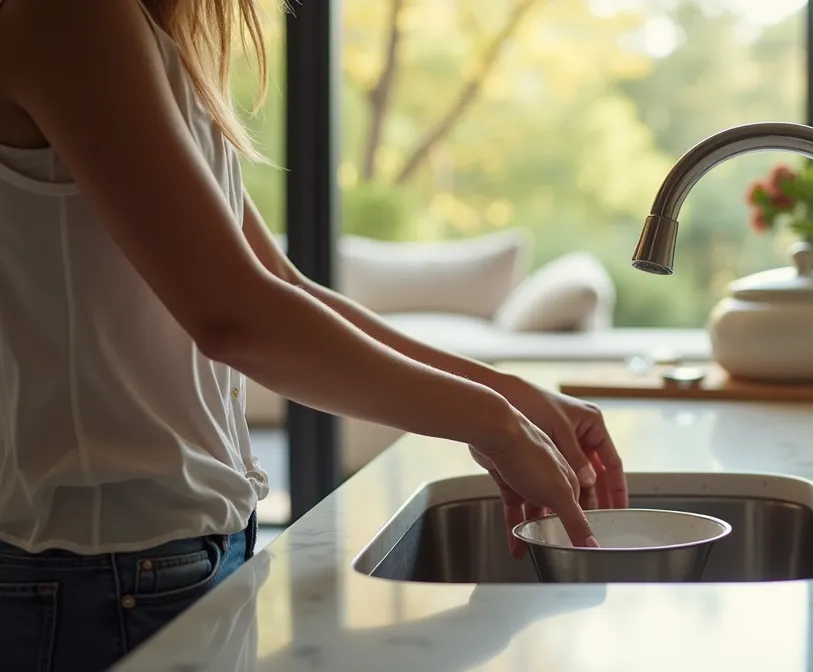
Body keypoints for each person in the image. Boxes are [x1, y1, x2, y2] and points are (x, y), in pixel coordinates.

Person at [0, 0, 628, 668]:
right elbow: (237, 319)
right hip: (97, 578)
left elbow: (281, 288)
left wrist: (507, 395)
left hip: (154, 563)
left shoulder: (146, 32)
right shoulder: (69, 13)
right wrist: (494, 423)